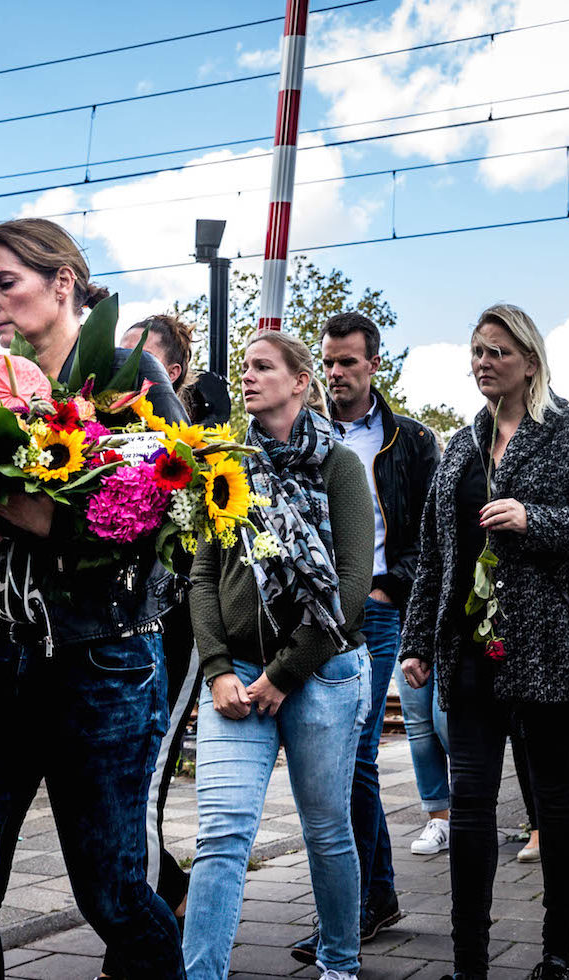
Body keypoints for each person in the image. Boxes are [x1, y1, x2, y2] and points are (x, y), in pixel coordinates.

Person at [0, 218, 187, 979]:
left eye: (3, 283)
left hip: (99, 661)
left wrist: (34, 513)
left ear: (63, 282)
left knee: (110, 892)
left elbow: (157, 515)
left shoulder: (131, 372)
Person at [401, 304, 569, 980]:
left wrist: (537, 519)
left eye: (498, 352)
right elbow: (435, 552)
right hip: (471, 649)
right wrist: (417, 640)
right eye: (477, 351)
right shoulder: (460, 445)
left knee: (557, 797)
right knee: (471, 799)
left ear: (529, 361)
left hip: (552, 648)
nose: (483, 363)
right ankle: (469, 965)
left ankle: (557, 958)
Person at [185, 330, 374, 980]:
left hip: (323, 671)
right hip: (235, 675)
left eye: (263, 367)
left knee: (326, 830)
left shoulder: (339, 466)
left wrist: (284, 673)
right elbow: (203, 578)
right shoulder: (228, 467)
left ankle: (340, 962)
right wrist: (215, 670)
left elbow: (350, 590)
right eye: (245, 367)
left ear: (300, 382)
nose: (248, 376)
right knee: (221, 835)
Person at [283, 312, 441, 967]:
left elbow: (434, 534)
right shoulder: (300, 434)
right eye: (329, 361)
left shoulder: (412, 440)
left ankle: (361, 909)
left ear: (374, 364)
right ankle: (376, 897)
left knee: (354, 759)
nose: (337, 373)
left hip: (374, 613)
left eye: (349, 362)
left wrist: (389, 589)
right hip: (313, 614)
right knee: (339, 761)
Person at [117, 313, 213, 932]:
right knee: (121, 787)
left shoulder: (193, 444)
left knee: (146, 777)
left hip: (176, 622)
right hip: (125, 623)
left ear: (168, 372)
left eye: (134, 358)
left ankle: (136, 946)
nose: (116, 369)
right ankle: (169, 893)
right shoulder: (113, 427)